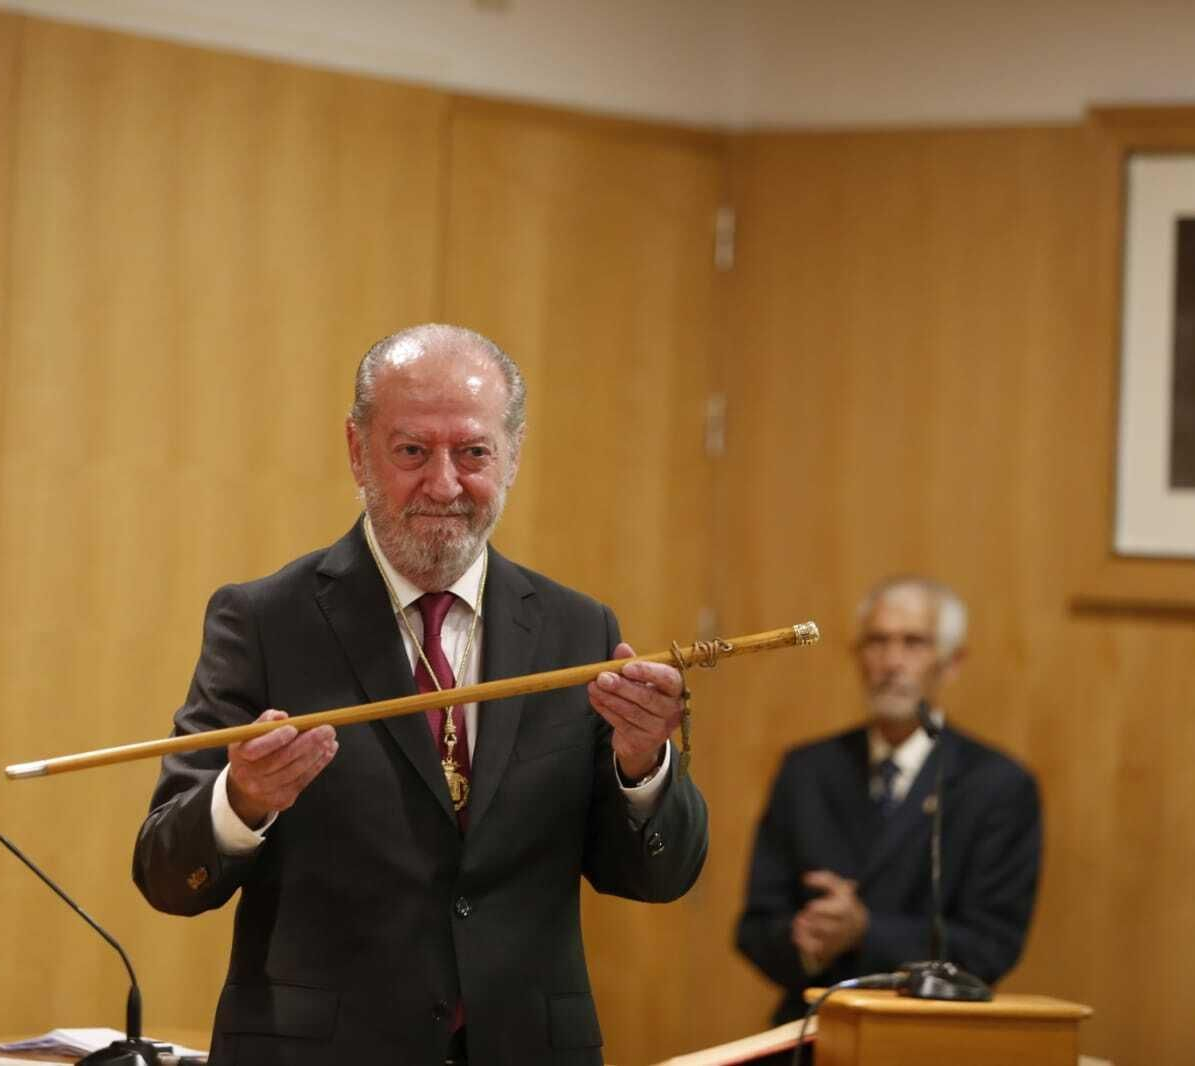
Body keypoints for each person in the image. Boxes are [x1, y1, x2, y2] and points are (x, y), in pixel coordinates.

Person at [133, 323, 709, 1065]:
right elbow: (166, 875)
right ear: (356, 451)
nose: (444, 485)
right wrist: (241, 799)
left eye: (473, 453)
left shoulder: (578, 630)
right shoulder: (264, 621)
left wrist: (643, 768)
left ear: (512, 455)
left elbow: (659, 877)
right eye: (412, 452)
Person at [735, 576, 1041, 1024]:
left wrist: (865, 932)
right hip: (813, 1032)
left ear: (951, 663)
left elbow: (991, 946)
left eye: (913, 643)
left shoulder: (997, 785)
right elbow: (754, 928)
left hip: (931, 1036)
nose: (892, 661)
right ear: (858, 657)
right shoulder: (808, 770)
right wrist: (808, 941)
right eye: (877, 642)